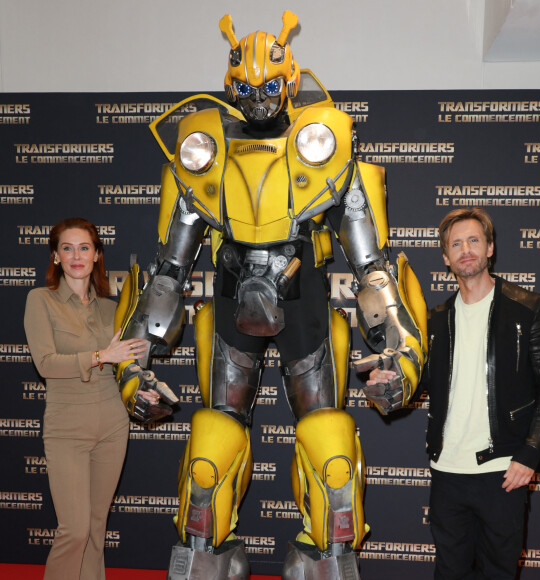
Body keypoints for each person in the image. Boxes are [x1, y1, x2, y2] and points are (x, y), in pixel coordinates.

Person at [113, 11, 428, 580]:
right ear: (231, 87)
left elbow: (372, 268)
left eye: (267, 88)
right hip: (233, 301)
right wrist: (136, 364)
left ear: (290, 81)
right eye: (246, 90)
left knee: (329, 447)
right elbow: (169, 273)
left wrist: (401, 352)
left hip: (304, 300)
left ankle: (326, 556)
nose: (258, 100)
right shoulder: (202, 153)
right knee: (210, 449)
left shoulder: (325, 146)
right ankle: (207, 556)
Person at [369, 207, 540, 579]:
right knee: (450, 573)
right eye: (456, 244)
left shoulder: (527, 308)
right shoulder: (434, 320)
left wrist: (530, 454)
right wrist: (388, 383)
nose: (466, 250)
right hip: (447, 472)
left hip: (502, 470)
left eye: (474, 240)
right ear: (446, 258)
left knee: (498, 573)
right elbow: (419, 383)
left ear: (490, 248)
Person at [24, 217, 154, 580]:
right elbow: (47, 364)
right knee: (75, 529)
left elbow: (123, 366)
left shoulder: (113, 310)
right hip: (67, 429)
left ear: (97, 255)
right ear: (55, 256)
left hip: (113, 425)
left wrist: (139, 381)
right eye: (67, 248)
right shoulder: (40, 301)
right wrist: (101, 356)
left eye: (85, 248)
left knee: (96, 529)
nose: (76, 255)